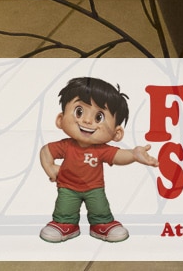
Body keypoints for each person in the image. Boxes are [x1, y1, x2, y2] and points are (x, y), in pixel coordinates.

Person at [38, 76, 157, 244]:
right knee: (64, 210)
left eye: (99, 117)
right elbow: (46, 151)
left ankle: (102, 225)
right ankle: (65, 225)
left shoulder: (101, 149)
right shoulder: (65, 145)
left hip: (94, 189)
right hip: (67, 187)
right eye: (79, 112)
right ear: (60, 119)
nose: (87, 121)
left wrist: (133, 154)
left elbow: (118, 156)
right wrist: (51, 169)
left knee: (100, 210)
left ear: (116, 133)